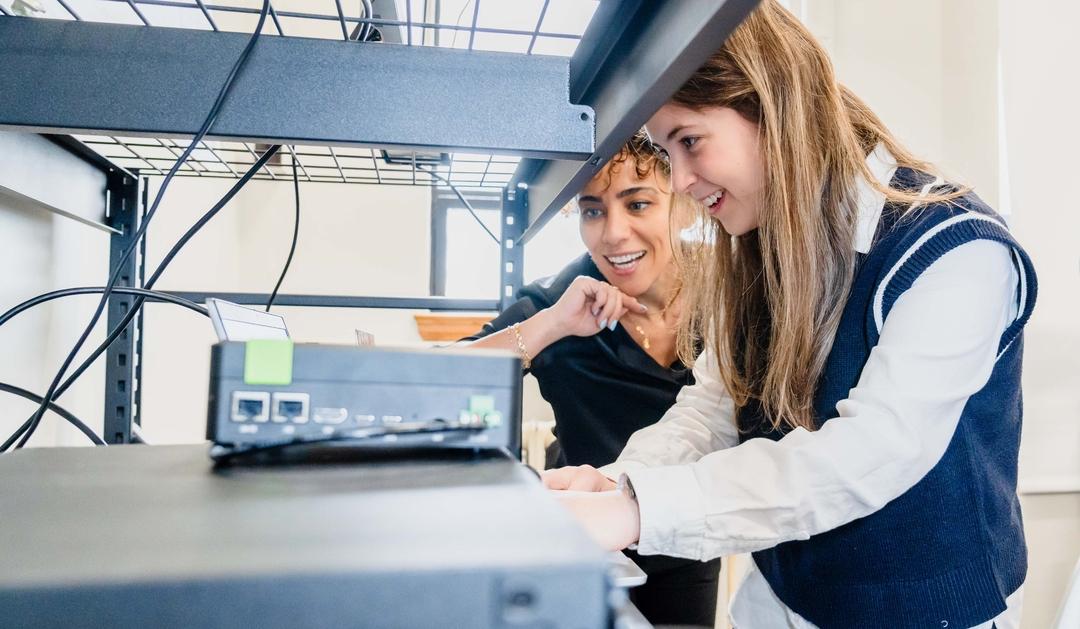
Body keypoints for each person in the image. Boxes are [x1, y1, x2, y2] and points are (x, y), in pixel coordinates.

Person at [541, 2, 1037, 628]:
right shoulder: (757, 248)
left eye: (690, 142)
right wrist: (621, 483)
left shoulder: (956, 251)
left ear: (774, 107)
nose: (684, 180)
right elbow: (714, 409)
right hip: (785, 595)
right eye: (669, 155)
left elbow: (870, 454)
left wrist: (640, 510)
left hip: (921, 610)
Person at [462, 134, 723, 626]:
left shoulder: (726, 292)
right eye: (592, 211)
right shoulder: (556, 300)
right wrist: (552, 325)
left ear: (685, 205)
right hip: (582, 540)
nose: (613, 234)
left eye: (638, 203)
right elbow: (443, 378)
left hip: (686, 538)